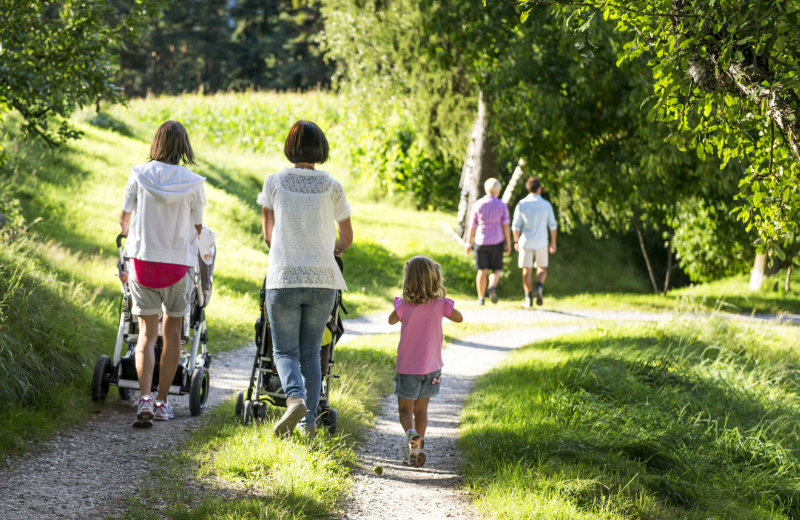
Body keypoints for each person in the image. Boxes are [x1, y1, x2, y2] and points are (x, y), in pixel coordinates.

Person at [258, 120, 353, 438]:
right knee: (312, 352)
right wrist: (333, 249)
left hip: (283, 276)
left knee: (284, 351)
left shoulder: (274, 182)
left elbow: (268, 237)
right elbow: (347, 237)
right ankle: (309, 425)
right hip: (323, 280)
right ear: (321, 149)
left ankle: (294, 398)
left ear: (290, 148)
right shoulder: (332, 186)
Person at [119, 120, 206, 428]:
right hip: (177, 266)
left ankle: (142, 399)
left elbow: (124, 221)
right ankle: (162, 402)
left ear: (156, 142)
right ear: (183, 147)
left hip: (142, 263)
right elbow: (199, 228)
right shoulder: (194, 182)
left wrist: (135, 236)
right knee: (172, 337)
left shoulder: (138, 174)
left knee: (145, 335)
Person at [388, 256, 463, 467]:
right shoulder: (440, 305)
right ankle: (417, 449)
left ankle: (411, 435)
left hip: (407, 369)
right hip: (432, 369)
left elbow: (391, 320)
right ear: (434, 280)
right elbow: (459, 318)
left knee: (405, 411)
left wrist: (403, 307)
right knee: (422, 410)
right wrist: (441, 305)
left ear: (408, 281)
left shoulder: (404, 306)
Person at [511, 177, 557, 307]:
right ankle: (539, 286)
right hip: (542, 241)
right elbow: (553, 226)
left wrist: (515, 241)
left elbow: (516, 226)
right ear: (539, 188)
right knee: (542, 267)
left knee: (526, 269)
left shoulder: (522, 204)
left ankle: (528, 298)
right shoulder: (546, 204)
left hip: (526, 241)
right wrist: (553, 242)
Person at [465, 178, 511, 305]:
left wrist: (469, 242)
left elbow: (472, 225)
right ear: (498, 190)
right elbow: (506, 225)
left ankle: (481, 298)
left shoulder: (478, 204)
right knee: (496, 269)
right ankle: (492, 285)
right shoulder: (502, 205)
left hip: (481, 241)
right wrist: (509, 243)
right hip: (497, 241)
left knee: (482, 270)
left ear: (486, 189)